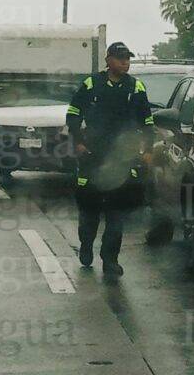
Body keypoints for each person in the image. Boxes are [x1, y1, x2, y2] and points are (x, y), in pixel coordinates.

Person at [66, 41, 154, 277]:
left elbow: (147, 121)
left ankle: (110, 259)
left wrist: (146, 150)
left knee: (116, 213)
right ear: (108, 60)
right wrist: (78, 141)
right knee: (89, 211)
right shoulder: (91, 84)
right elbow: (73, 113)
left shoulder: (136, 87)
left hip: (122, 160)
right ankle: (86, 246)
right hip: (92, 158)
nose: (125, 62)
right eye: (120, 57)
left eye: (128, 58)